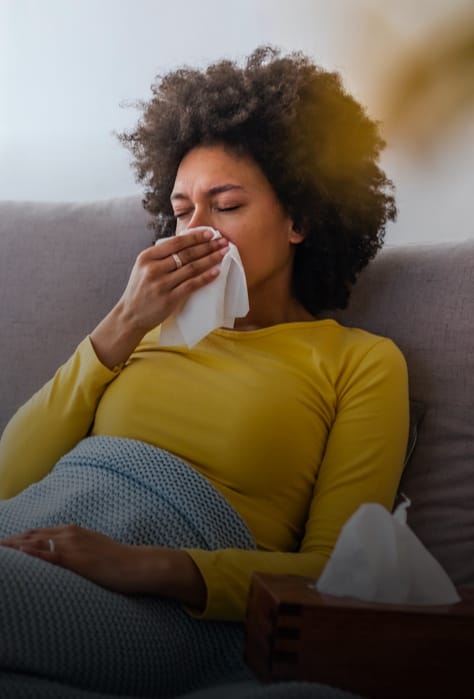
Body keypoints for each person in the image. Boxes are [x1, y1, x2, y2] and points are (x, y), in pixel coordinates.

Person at [0, 47, 408, 629]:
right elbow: (10, 482)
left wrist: (142, 567)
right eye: (183, 210)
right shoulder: (140, 330)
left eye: (228, 205)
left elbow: (336, 573)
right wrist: (124, 321)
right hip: (31, 540)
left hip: (161, 606)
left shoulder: (359, 362)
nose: (197, 232)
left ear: (301, 219)